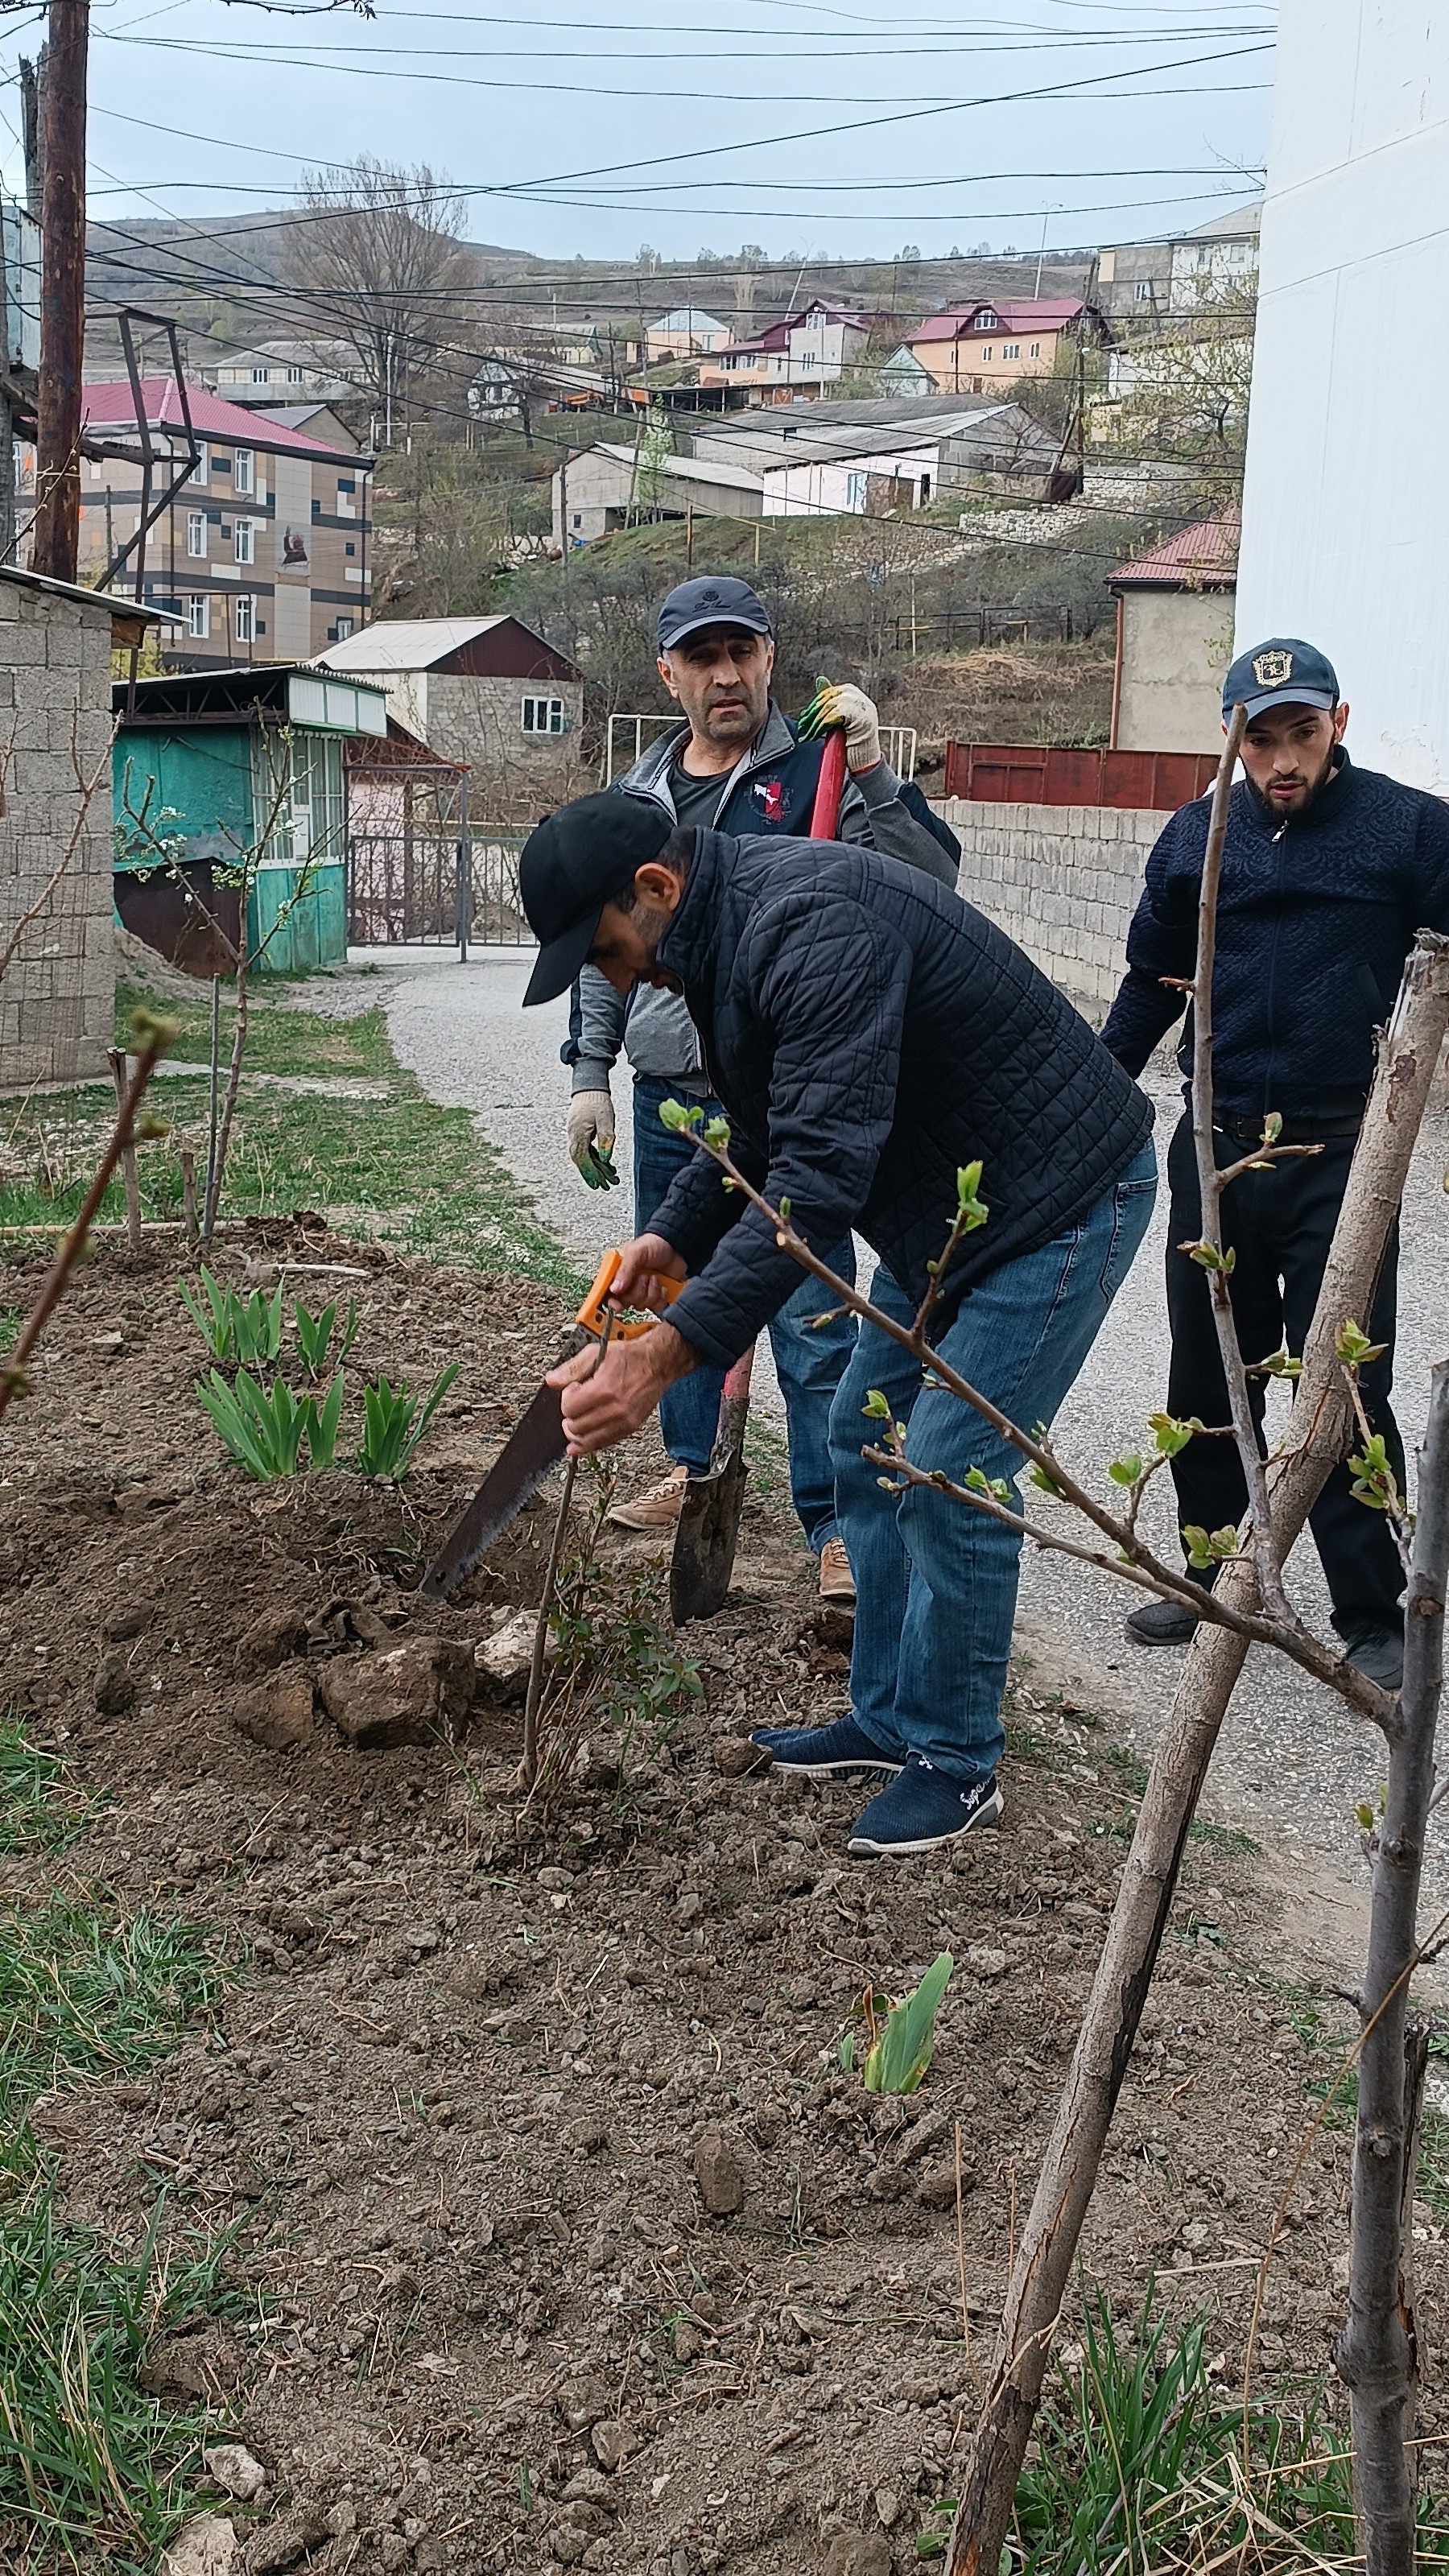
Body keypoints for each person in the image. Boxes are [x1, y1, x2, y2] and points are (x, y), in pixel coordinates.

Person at [521, 793, 1157, 1857]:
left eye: (610, 952)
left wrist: (666, 1357)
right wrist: (672, 1238)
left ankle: (957, 1766)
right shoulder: (727, 935)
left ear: (657, 890)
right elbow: (764, 1126)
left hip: (1057, 1205)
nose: (615, 980)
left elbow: (814, 1192)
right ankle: (890, 1720)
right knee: (863, 1443)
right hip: (950, 1216)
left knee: (952, 1480)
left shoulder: (812, 927)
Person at [564, 573, 959, 1600]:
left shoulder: (814, 770)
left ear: (770, 658)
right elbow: (603, 947)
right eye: (702, 657)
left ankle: (830, 1518)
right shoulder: (639, 795)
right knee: (676, 1283)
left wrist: (873, 771)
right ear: (669, 673)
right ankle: (692, 1469)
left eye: (742, 652)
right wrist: (588, 1073)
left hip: (795, 1089)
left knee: (807, 1296)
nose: (726, 674)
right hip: (674, 1086)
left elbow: (927, 880)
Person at [1101, 638, 1449, 1690]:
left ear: (1338, 722)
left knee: (1341, 1377)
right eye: (1262, 739)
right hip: (1213, 1142)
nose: (1284, 757)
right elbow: (1153, 978)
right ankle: (1211, 1578)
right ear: (1232, 742)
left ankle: (1373, 1612)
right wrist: (1096, 1087)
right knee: (1208, 1371)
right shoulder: (1195, 837)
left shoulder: (1411, 829)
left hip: (1344, 1146)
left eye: (1303, 731)